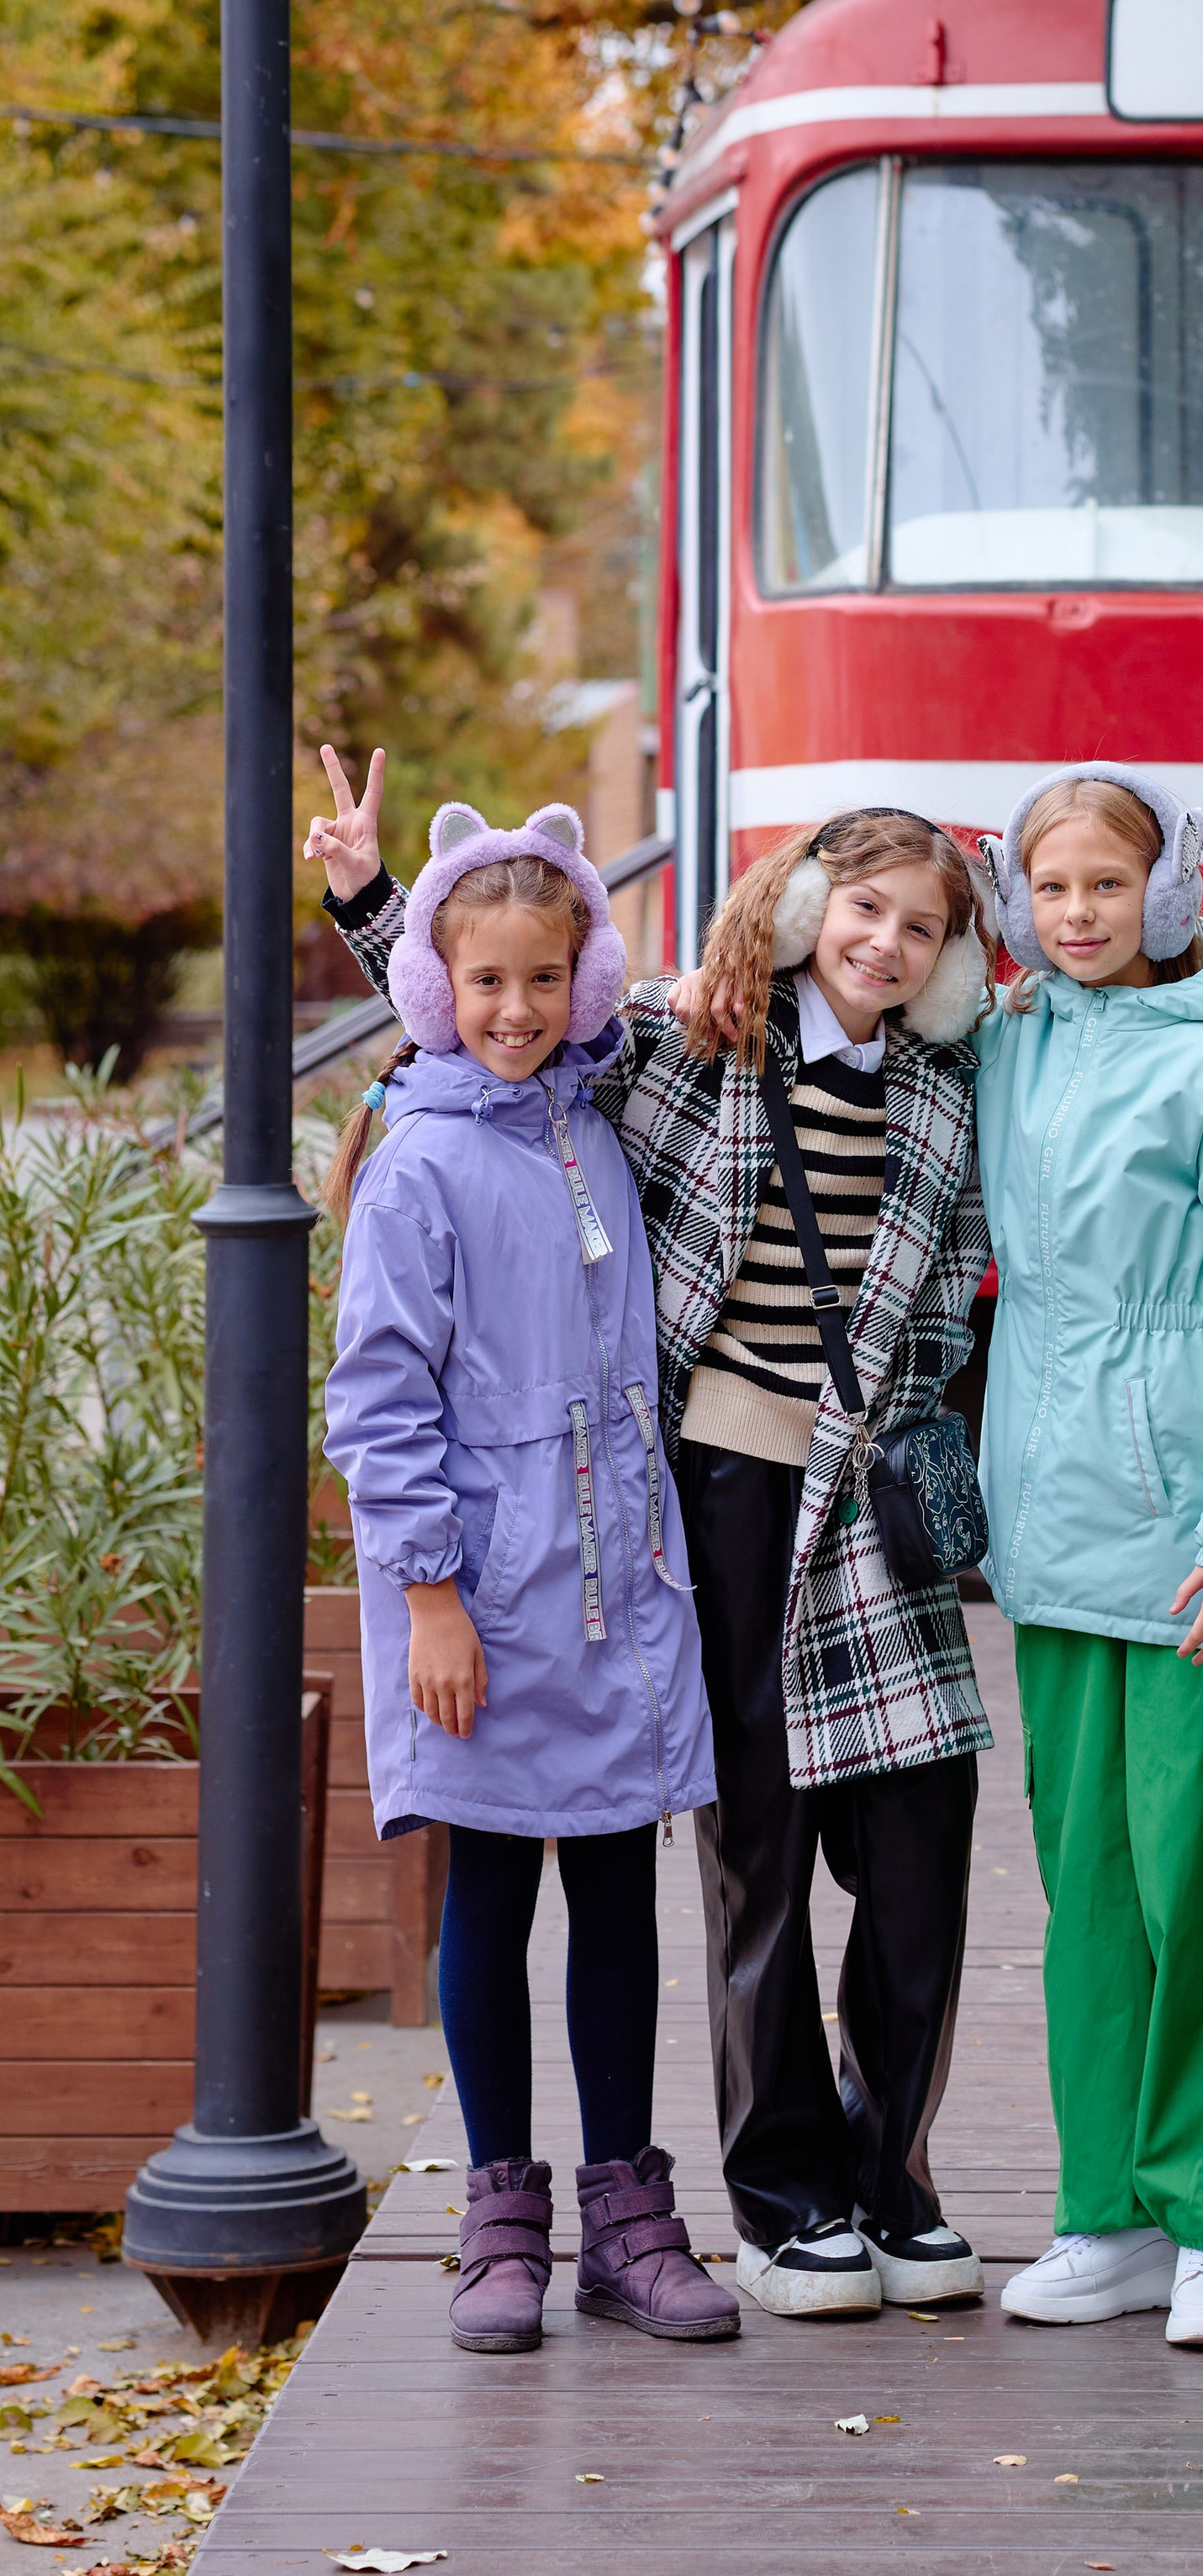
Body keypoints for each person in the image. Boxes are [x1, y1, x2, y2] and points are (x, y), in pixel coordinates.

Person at [309, 756, 998, 2315]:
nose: (884, 942)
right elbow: (494, 1009)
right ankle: (717, 2198)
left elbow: (531, 1012)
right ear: (814, 907)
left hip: (799, 1516)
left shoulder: (956, 1076)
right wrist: (367, 903)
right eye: (862, 908)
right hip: (703, 1496)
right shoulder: (699, 1050)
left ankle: (861, 2172)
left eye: (921, 924)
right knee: (727, 1840)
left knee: (897, 1836)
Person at [321, 799, 733, 2357]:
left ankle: (629, 2209)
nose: (514, 1009)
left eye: (543, 980)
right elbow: (378, 1395)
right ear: (437, 988)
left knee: (618, 1884)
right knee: (490, 1890)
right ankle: (504, 2212)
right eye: (482, 982)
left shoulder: (595, 1115)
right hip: (482, 1599)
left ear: (585, 979)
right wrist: (430, 1591)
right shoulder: (419, 1158)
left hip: (617, 1580)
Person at [969, 769, 1203, 2354]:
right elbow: (830, 959)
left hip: (1199, 1544)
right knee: (1091, 1893)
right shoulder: (1001, 1045)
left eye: (1108, 885)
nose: (1077, 915)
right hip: (1053, 1544)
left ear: (1171, 893)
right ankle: (1109, 2213)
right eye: (1049, 887)